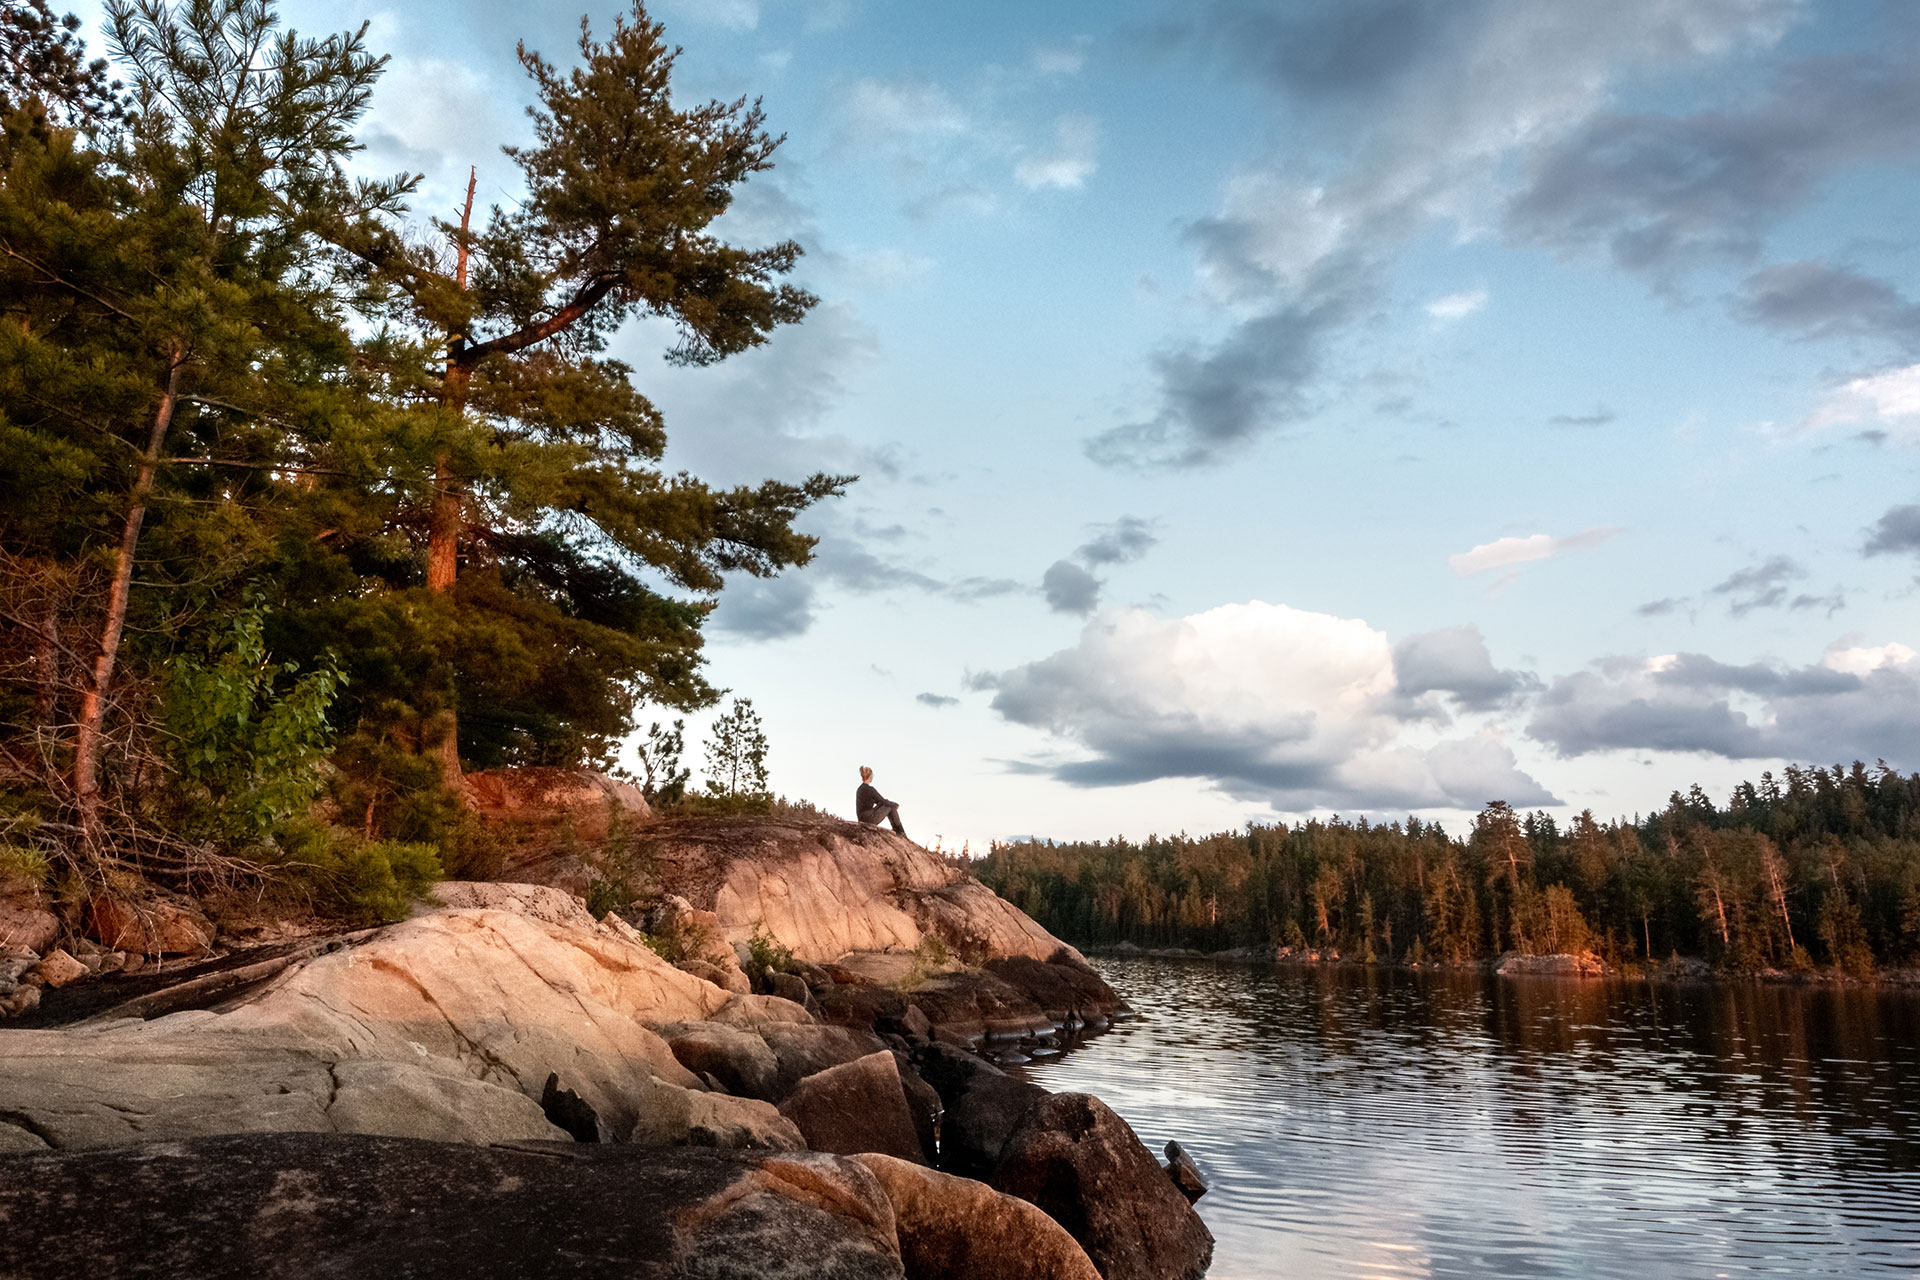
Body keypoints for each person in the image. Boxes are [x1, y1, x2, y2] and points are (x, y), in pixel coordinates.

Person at [855, 766, 907, 836]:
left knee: (887, 804)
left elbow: (878, 801)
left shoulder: (859, 789)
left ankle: (898, 830)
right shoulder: (871, 789)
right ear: (870, 777)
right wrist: (895, 804)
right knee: (890, 806)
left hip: (862, 818)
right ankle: (900, 830)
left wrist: (886, 803)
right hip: (869, 819)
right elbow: (882, 800)